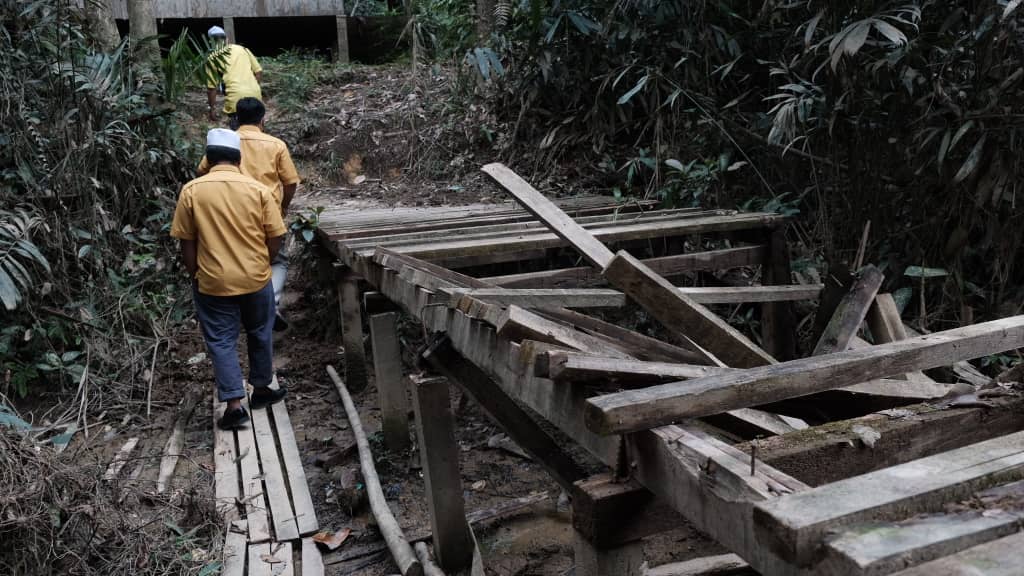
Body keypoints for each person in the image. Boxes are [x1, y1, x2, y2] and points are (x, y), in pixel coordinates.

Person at [171, 128, 288, 430]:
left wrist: (194, 272)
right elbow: (276, 235)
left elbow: (186, 241)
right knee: (260, 332)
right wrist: (264, 258)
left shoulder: (192, 191)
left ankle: (234, 405)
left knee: (222, 341)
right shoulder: (258, 190)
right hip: (255, 276)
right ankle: (261, 390)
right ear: (238, 158)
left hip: (213, 281)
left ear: (209, 159)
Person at [197, 97, 300, 330]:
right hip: (266, 213)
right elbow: (291, 182)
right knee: (277, 260)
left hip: (226, 211)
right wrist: (282, 206)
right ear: (263, 119)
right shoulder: (276, 145)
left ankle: (234, 308)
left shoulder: (227, 143)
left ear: (236, 119)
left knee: (231, 256)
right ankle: (270, 304)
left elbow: (202, 170)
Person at [204, 26, 263, 129]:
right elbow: (258, 72)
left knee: (240, 135)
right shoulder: (243, 49)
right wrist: (253, 86)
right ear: (227, 39)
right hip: (255, 96)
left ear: (210, 41)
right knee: (258, 131)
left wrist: (211, 108)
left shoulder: (212, 58)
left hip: (235, 100)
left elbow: (211, 88)